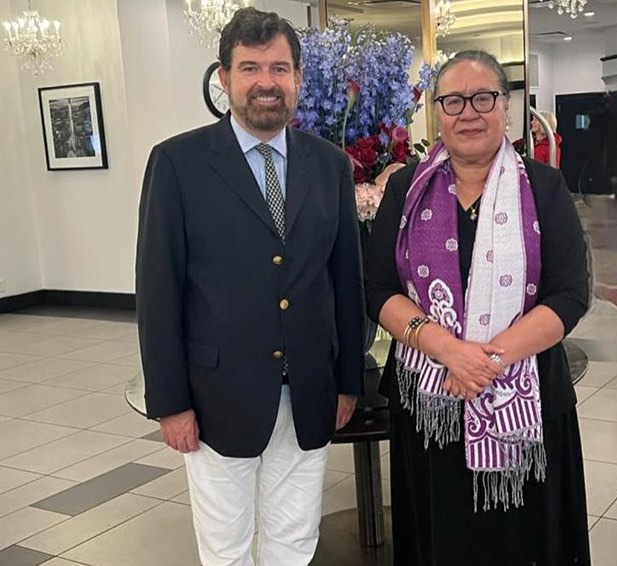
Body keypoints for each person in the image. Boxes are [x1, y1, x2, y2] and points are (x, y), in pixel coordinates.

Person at [135, 8, 365, 566]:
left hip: (310, 390)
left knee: (294, 541)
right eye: (251, 68)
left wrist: (348, 382)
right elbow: (157, 291)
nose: (267, 82)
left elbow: (346, 282)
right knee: (226, 547)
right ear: (225, 78)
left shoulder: (330, 166)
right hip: (218, 398)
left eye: (280, 68)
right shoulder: (178, 163)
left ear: (299, 79)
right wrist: (169, 403)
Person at [365, 50, 591, 565]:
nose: (468, 112)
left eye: (483, 97)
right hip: (432, 405)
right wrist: (449, 351)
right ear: (437, 112)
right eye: (452, 100)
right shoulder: (406, 189)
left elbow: (570, 294)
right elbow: (378, 289)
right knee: (440, 539)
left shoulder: (543, 187)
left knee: (524, 540)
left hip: (526, 401)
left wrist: (486, 360)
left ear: (506, 108)